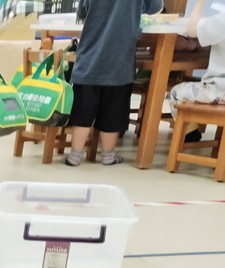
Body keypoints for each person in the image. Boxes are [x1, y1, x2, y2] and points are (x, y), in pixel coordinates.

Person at [63, 0, 164, 167]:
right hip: (120, 61)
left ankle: (75, 155)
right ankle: (108, 156)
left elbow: (82, 12)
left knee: (82, 112)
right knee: (113, 112)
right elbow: (155, 7)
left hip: (90, 60)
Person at [168, 0, 225, 140]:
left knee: (175, 92)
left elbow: (192, 30)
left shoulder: (221, 20)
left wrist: (200, 3)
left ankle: (190, 135)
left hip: (220, 90)